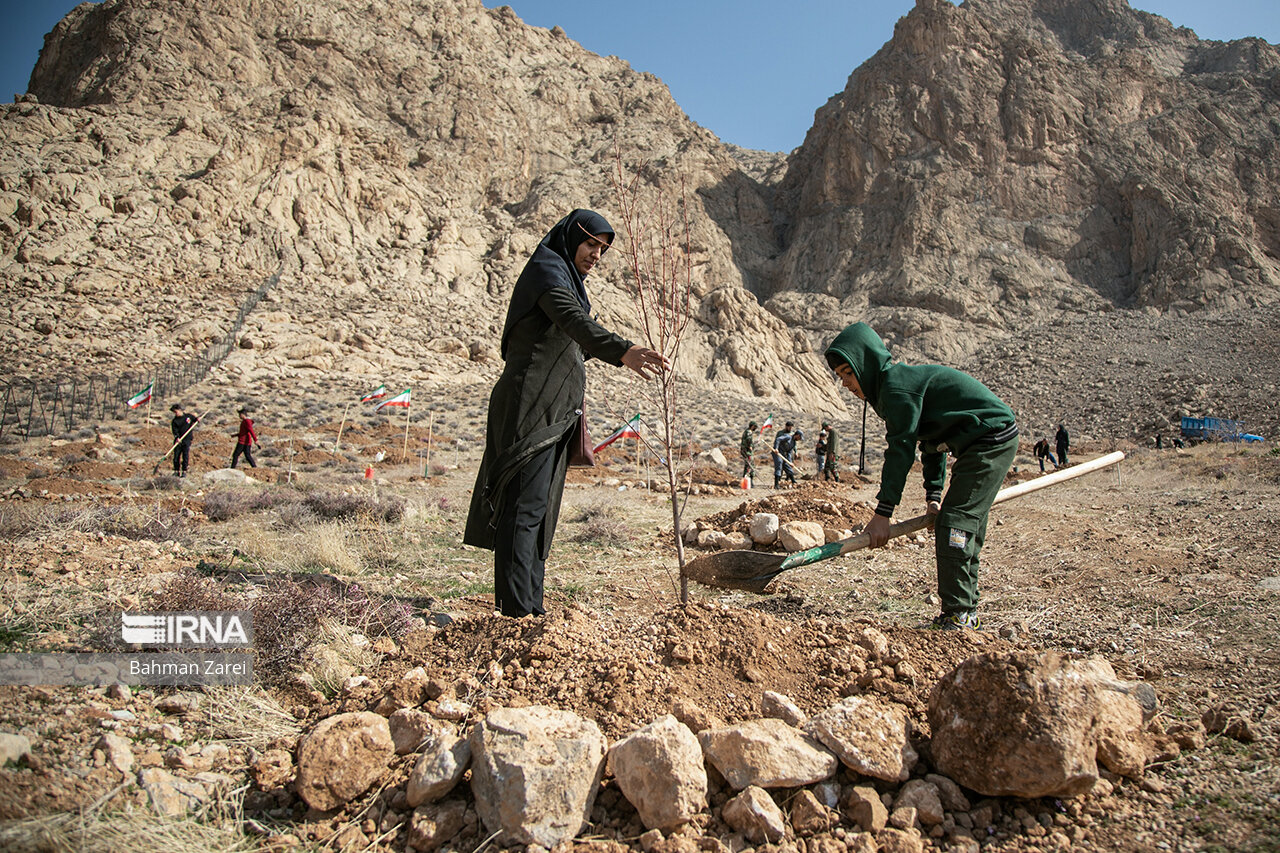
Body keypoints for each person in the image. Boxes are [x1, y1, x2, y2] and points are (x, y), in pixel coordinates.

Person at [463, 209, 668, 618]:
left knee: (540, 507)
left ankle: (530, 606)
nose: (596, 255)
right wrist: (620, 350)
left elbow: (570, 340)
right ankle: (516, 612)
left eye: (603, 249)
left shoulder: (568, 280)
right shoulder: (547, 269)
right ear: (570, 237)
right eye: (591, 244)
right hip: (529, 405)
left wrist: (603, 350)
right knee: (523, 506)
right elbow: (572, 321)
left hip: (556, 409)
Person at [825, 322, 1018, 631]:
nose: (846, 384)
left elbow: (900, 452)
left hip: (990, 439)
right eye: (840, 377)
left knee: (957, 524)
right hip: (976, 442)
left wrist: (883, 513)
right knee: (960, 523)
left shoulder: (897, 388)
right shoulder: (892, 389)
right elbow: (932, 445)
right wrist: (933, 496)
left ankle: (959, 615)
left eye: (849, 373)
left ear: (867, 364)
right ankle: (965, 609)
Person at [169, 404, 199, 477]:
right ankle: (176, 471)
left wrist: (198, 419)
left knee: (185, 455)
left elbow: (195, 419)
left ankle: (184, 471)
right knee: (176, 456)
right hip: (178, 440)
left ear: (180, 410)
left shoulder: (188, 417)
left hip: (187, 439)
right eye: (174, 412)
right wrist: (177, 438)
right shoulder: (174, 421)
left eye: (176, 412)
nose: (176, 413)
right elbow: (174, 431)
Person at [773, 421, 798, 489]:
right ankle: (777, 483)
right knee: (779, 465)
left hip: (786, 452)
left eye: (791, 427)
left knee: (787, 465)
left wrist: (790, 460)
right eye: (789, 427)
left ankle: (793, 481)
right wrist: (776, 448)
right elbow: (777, 440)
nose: (790, 428)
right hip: (778, 452)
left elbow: (792, 447)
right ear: (786, 426)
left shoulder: (792, 435)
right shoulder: (781, 433)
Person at [740, 421, 759, 486]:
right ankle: (748, 481)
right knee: (750, 466)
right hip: (747, 452)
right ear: (752, 426)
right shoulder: (749, 432)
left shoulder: (747, 431)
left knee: (748, 465)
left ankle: (746, 481)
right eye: (755, 427)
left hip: (745, 451)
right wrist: (750, 446)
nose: (755, 429)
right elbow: (749, 440)